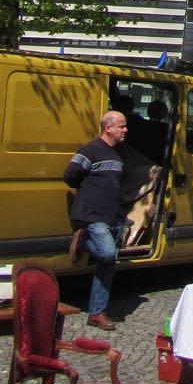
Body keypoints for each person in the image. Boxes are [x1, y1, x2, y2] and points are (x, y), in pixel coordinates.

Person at [63, 109, 128, 331]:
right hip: (92, 215)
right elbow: (70, 175)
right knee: (107, 253)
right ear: (108, 128)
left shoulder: (117, 156)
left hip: (111, 216)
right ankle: (82, 240)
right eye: (122, 126)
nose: (125, 130)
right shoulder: (90, 150)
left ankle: (96, 312)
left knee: (108, 263)